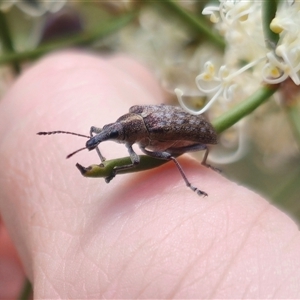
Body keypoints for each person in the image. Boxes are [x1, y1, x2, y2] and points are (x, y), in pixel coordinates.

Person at [0, 51, 300, 299]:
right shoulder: (125, 126)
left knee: (173, 156)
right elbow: (102, 136)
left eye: (112, 134)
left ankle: (194, 180)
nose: (103, 137)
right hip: (162, 126)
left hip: (196, 132)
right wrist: (100, 148)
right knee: (102, 137)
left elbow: (167, 150)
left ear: (127, 130)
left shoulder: (150, 131)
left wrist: (114, 170)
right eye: (110, 133)